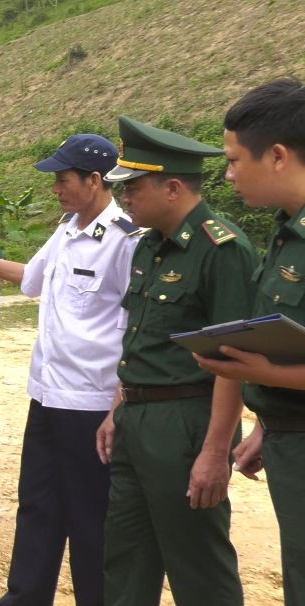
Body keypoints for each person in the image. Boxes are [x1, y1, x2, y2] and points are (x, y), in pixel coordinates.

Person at [0, 134, 139, 606]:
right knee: (37, 508)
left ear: (95, 181)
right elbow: (30, 279)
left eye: (63, 180)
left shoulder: (126, 241)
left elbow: (140, 330)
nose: (56, 189)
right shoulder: (67, 229)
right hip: (48, 399)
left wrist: (119, 406)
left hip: (92, 408)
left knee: (90, 521)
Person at [95, 116, 259, 606]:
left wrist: (214, 452)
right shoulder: (148, 246)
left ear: (171, 188)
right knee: (125, 560)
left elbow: (233, 360)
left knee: (197, 567)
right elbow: (141, 339)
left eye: (133, 188)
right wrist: (115, 410)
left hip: (186, 423)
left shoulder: (221, 250)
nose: (124, 198)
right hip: (136, 419)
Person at [194, 78, 305, 606]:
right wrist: (269, 418)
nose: (229, 174)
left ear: (278, 155)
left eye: (236, 160)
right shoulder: (286, 232)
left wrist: (257, 376)